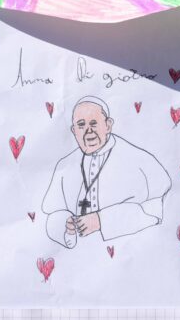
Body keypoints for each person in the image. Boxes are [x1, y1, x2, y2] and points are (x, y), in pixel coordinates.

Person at [42, 96, 171, 249]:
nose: (88, 131)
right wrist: (65, 225)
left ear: (108, 125)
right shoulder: (64, 165)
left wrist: (101, 221)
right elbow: (51, 215)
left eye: (94, 123)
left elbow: (154, 214)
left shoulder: (140, 160)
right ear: (73, 130)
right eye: (81, 125)